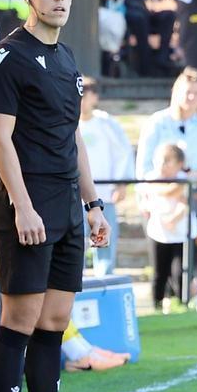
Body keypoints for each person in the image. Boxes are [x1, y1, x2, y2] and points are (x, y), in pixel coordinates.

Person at [0, 0, 109, 392]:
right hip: (27, 207)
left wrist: (94, 203)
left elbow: (72, 136)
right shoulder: (7, 56)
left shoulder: (67, 58)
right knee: (20, 318)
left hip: (66, 208)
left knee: (55, 319)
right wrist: (23, 206)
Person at [137, 67, 197, 305]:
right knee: (165, 255)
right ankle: (165, 298)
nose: (191, 98)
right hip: (165, 197)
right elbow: (144, 163)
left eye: (196, 93)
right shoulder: (158, 122)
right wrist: (147, 195)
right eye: (187, 92)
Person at [78, 77, 133, 276]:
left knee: (104, 243)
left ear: (95, 96)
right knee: (76, 245)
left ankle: (104, 280)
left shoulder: (106, 122)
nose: (82, 100)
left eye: (87, 94)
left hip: (104, 196)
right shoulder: (68, 122)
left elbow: (123, 153)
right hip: (76, 197)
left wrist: (121, 183)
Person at [140, 144, 189, 313]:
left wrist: (173, 218)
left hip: (179, 232)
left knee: (180, 271)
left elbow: (183, 201)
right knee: (159, 272)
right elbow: (163, 191)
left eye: (168, 161)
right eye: (161, 160)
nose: (163, 165)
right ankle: (157, 304)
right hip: (159, 231)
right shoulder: (151, 178)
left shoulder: (183, 178)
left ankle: (182, 303)